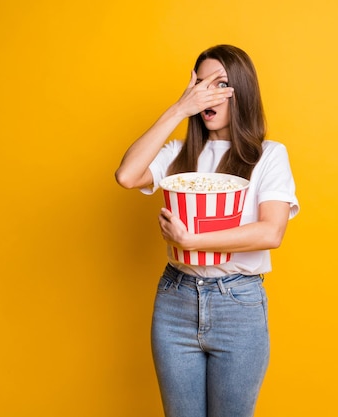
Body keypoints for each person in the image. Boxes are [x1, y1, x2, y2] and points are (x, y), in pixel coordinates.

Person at [115, 44, 299, 417]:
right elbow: (127, 175)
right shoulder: (179, 153)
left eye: (220, 84)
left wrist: (191, 241)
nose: (206, 94)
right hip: (175, 299)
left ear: (242, 92)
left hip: (238, 305)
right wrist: (179, 109)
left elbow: (270, 233)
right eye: (200, 84)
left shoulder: (268, 155)